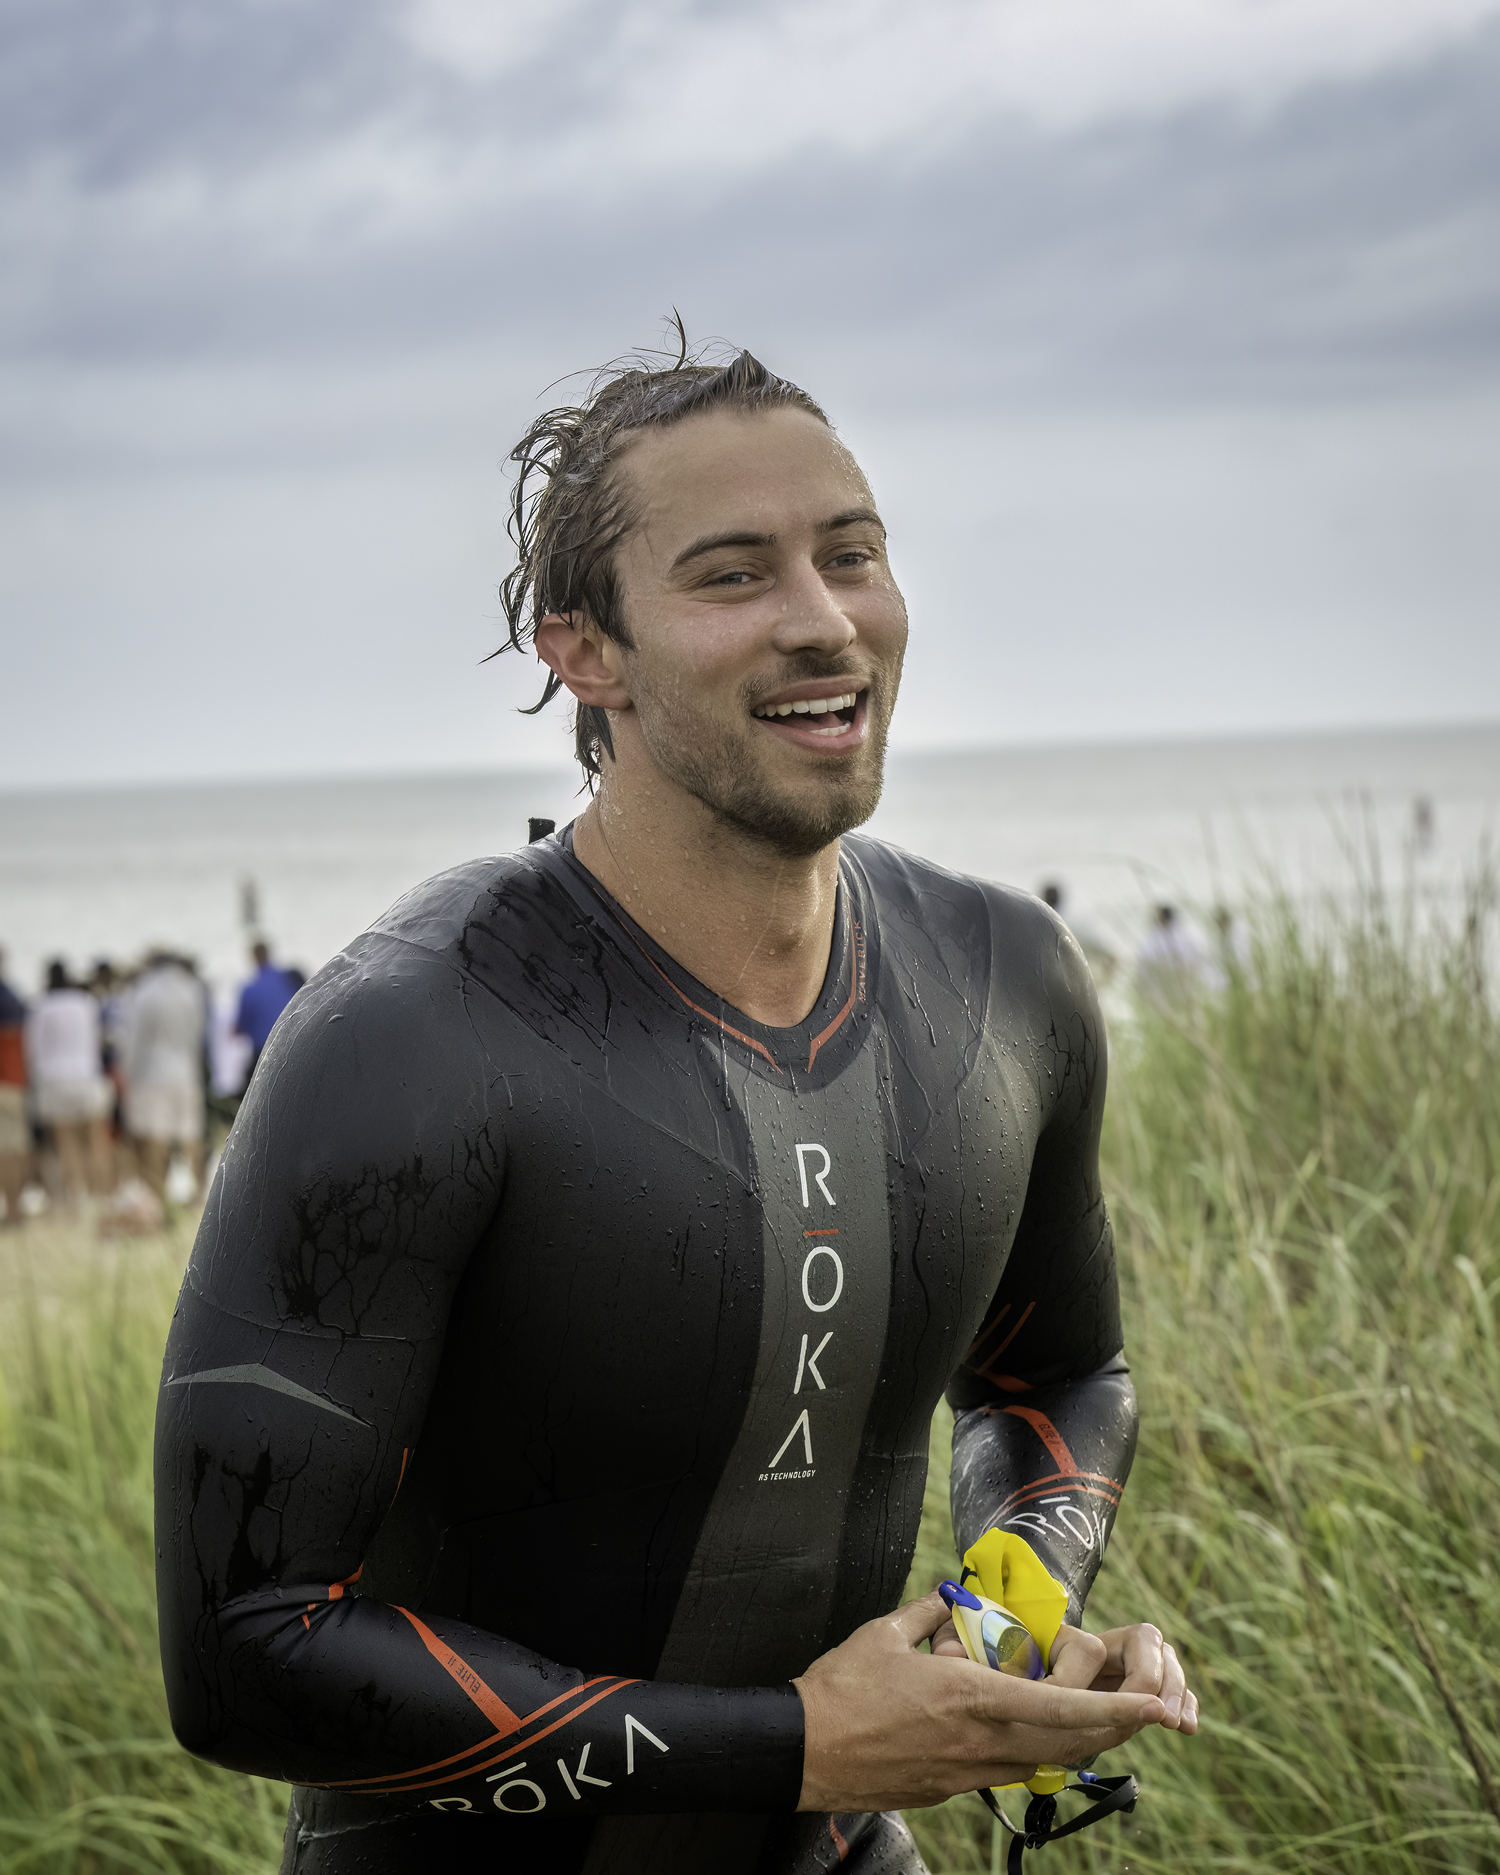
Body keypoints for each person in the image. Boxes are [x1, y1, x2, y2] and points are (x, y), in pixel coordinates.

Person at [156, 341, 1196, 1875]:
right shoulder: (411, 1037)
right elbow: (246, 1642)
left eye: (852, 554)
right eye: (733, 575)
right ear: (586, 652)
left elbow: (1064, 1373)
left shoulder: (1007, 982)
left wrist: (1000, 1630)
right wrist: (799, 1741)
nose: (825, 618)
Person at [120, 951, 207, 1202]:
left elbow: (135, 1040)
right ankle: (200, 1193)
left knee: (156, 1136)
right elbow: (198, 1032)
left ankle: (161, 1196)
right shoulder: (191, 989)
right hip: (186, 1070)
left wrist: (128, 1073)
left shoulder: (144, 992)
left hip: (152, 1074)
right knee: (192, 1135)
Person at [25, 959, 113, 1201]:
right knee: (95, 1140)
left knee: (67, 1143)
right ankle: (102, 1195)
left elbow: (34, 1050)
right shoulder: (85, 1003)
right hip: (86, 1076)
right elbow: (96, 1041)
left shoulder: (41, 1006)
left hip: (54, 1081)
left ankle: (78, 1196)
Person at [233, 940, 300, 1081]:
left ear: (253, 958)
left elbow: (239, 1028)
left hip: (266, 1053)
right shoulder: (288, 977)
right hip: (295, 1044)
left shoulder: (249, 990)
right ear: (269, 953)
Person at [0, 950, 29, 1224]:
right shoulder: (12, 997)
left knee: (7, 1148)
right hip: (12, 1080)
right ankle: (14, 1208)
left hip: (5, 1081)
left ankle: (11, 1210)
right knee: (13, 1147)